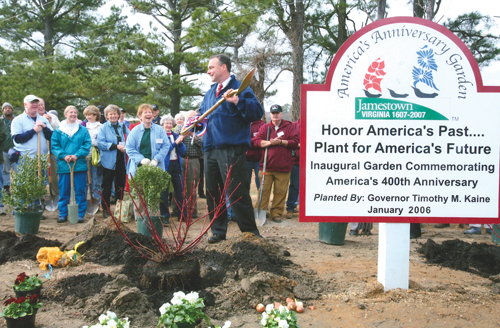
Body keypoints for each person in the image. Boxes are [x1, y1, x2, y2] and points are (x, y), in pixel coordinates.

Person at [199, 53, 263, 243]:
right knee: (213, 192)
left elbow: (257, 112)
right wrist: (195, 122)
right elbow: (202, 115)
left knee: (237, 192)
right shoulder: (210, 93)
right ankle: (218, 231)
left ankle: (250, 232)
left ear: (223, 67)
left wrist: (237, 101)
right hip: (210, 149)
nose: (208, 71)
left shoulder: (239, 89)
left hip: (231, 149)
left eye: (211, 67)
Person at [254, 104, 299, 223]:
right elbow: (256, 141)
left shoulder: (289, 127)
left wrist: (281, 142)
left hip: (283, 167)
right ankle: (261, 211)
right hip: (266, 166)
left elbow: (295, 142)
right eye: (273, 113)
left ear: (281, 114)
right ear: (270, 115)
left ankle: (276, 213)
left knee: (280, 192)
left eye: (277, 113)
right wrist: (270, 143)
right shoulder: (265, 128)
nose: (275, 115)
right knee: (263, 191)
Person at [125, 104, 170, 217]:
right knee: (139, 199)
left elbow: (166, 145)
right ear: (140, 116)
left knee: (153, 199)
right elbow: (129, 148)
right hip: (139, 170)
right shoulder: (134, 131)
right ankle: (141, 224)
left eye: (150, 112)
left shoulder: (159, 130)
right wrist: (141, 159)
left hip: (155, 170)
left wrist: (157, 159)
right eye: (145, 112)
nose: (149, 114)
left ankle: (153, 223)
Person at [51, 106, 91, 223]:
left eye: (75, 112)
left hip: (79, 164)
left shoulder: (82, 130)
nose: (73, 114)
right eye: (70, 112)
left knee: (80, 190)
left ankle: (79, 214)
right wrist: (64, 155)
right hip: (64, 165)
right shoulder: (59, 130)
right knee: (64, 191)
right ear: (65, 114)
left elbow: (86, 144)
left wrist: (77, 155)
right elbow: (54, 146)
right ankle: (63, 214)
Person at [97, 104, 129, 218]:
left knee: (120, 186)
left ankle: (119, 209)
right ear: (106, 116)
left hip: (121, 160)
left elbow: (129, 140)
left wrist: (127, 148)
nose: (113, 116)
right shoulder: (103, 128)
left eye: (115, 114)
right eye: (110, 114)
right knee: (107, 185)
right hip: (108, 161)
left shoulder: (123, 127)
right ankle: (106, 209)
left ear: (118, 115)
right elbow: (100, 143)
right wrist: (116, 146)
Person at [160, 115, 186, 222]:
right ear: (162, 125)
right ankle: (165, 216)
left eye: (170, 123)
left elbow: (183, 151)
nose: (169, 125)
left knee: (180, 190)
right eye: (166, 123)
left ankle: (182, 214)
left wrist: (179, 143)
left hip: (176, 164)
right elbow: (165, 150)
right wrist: (176, 143)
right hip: (165, 166)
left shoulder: (176, 135)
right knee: (164, 192)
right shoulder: (160, 136)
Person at [11, 95, 53, 159]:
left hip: (42, 159)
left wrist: (45, 128)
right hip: (25, 161)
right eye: (32, 103)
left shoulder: (43, 119)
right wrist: (33, 131)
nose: (35, 104)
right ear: (25, 104)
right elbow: (17, 139)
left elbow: (52, 137)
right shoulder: (18, 120)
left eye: (36, 102)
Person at [180, 110, 203, 218]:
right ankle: (178, 210)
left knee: (191, 186)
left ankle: (192, 211)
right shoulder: (180, 128)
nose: (191, 121)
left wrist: (194, 135)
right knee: (179, 186)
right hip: (181, 159)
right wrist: (182, 136)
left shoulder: (200, 129)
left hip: (194, 160)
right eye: (189, 119)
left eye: (193, 119)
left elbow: (203, 144)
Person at [83, 105, 103, 208]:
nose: (88, 117)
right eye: (86, 115)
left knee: (96, 181)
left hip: (96, 158)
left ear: (95, 115)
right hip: (85, 157)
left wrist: (90, 142)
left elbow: (101, 142)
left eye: (90, 114)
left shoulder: (101, 127)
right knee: (86, 182)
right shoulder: (83, 126)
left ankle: (97, 202)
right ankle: (87, 202)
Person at [285, 118, 301, 219]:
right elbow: (290, 141)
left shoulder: (314, 125)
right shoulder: (293, 126)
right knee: (294, 185)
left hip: (311, 162)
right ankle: (290, 207)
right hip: (296, 161)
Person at [246, 119, 265, 190]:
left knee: (260, 182)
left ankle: (261, 200)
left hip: (259, 159)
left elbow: (262, 139)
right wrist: (255, 141)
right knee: (245, 182)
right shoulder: (243, 122)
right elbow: (241, 139)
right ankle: (245, 200)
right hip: (246, 159)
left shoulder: (261, 124)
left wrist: (248, 141)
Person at [2, 102, 16, 193]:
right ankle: (6, 187)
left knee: (18, 169)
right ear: (3, 111)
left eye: (9, 108)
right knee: (5, 170)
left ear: (12, 110)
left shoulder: (17, 120)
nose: (7, 109)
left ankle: (21, 188)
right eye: (5, 108)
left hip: (16, 149)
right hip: (4, 149)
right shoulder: (0, 121)